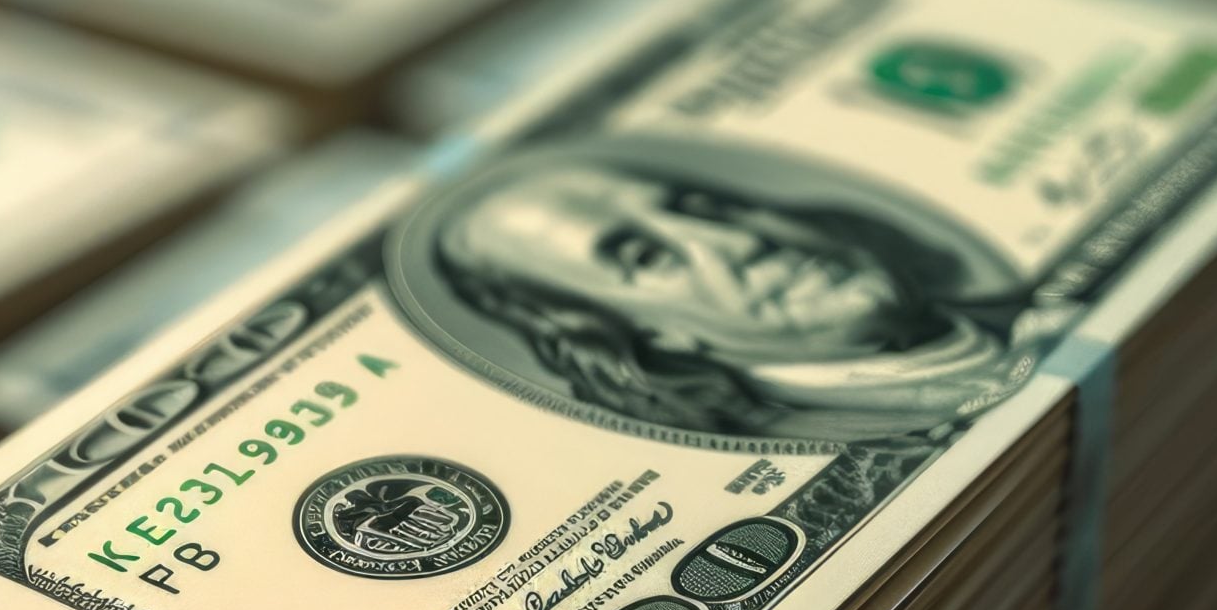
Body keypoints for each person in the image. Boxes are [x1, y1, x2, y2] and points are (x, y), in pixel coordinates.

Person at [428, 153, 1027, 441]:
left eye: (698, 208)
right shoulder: (805, 441)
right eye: (648, 257)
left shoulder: (1040, 309)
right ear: (648, 333)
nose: (738, 239)